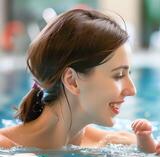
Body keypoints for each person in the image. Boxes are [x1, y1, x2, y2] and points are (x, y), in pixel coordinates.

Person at [0, 9, 137, 149]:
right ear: (72, 81)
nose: (132, 90)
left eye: (129, 74)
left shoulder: (122, 143)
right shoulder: (4, 149)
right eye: (118, 75)